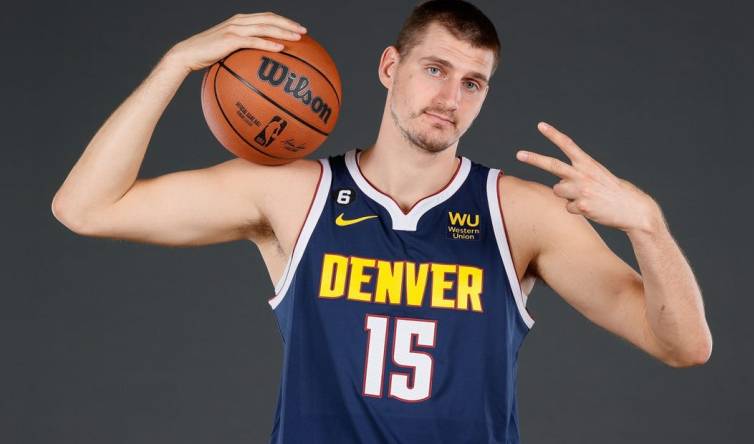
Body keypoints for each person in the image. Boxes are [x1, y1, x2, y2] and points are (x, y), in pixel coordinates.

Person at [51, 1, 712, 442]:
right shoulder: (293, 193)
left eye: (472, 83)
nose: (449, 98)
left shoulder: (519, 213)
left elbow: (684, 345)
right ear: (390, 67)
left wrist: (647, 226)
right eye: (434, 69)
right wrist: (175, 65)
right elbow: (85, 208)